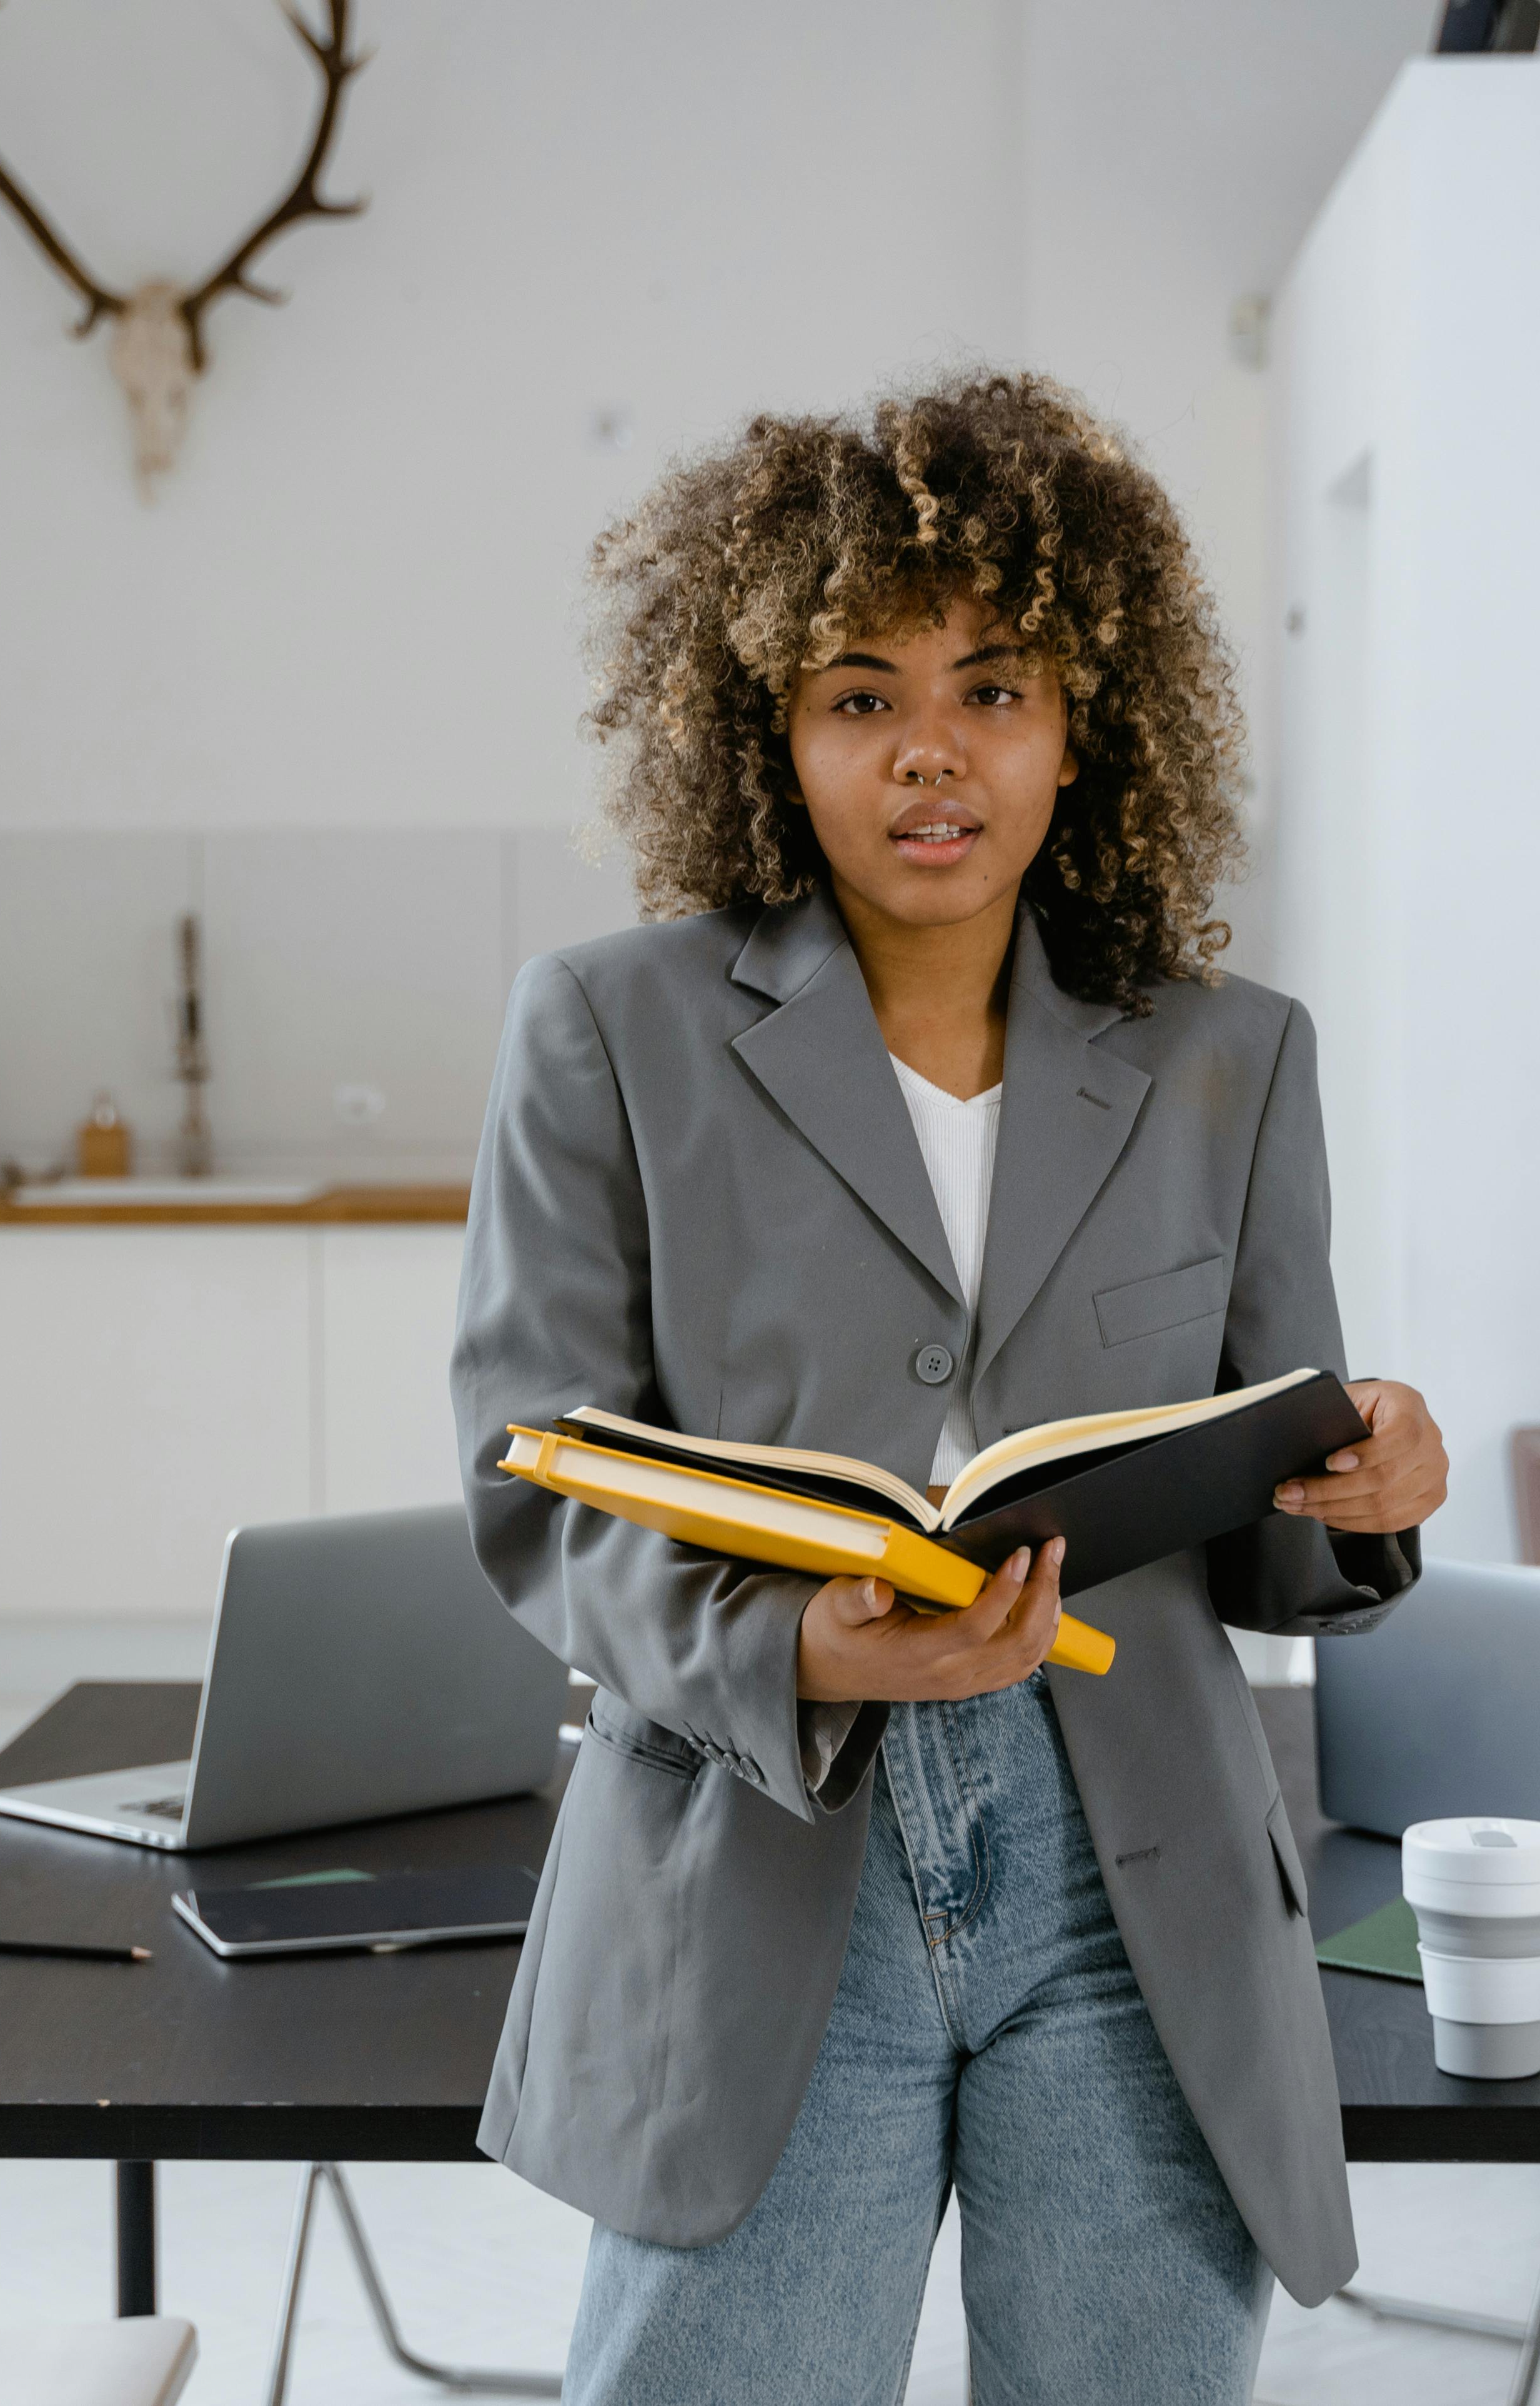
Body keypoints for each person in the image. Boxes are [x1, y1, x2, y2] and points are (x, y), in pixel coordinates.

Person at [450, 370, 1448, 2404]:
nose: (932, 750)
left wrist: (1366, 1488)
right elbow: (534, 1479)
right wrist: (790, 1653)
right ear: (766, 732)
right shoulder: (604, 1029)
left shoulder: (1227, 1056)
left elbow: (1262, 1503)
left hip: (1133, 1876)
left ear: (1089, 725)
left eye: (997, 688)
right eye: (857, 693)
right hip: (755, 1843)